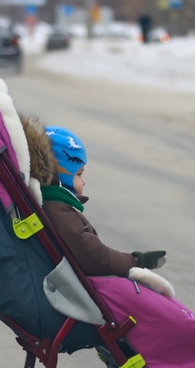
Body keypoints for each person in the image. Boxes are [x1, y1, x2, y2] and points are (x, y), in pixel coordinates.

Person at [20, 118, 166, 277]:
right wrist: (135, 261)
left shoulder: (53, 205)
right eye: (79, 174)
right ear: (62, 175)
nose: (83, 182)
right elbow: (94, 257)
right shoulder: (56, 209)